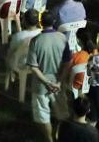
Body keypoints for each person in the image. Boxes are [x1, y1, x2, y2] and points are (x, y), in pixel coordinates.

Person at [27, 10, 68, 142]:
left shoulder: (35, 41)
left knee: (43, 116)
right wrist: (59, 82)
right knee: (62, 113)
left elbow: (33, 67)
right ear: (54, 22)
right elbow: (67, 63)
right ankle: (60, 136)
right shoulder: (63, 38)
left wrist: (46, 83)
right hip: (58, 84)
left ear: (40, 23)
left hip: (40, 85)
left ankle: (50, 139)